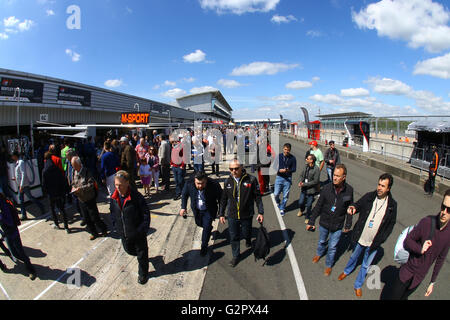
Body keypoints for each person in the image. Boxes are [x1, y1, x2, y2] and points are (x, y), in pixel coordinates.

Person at [339, 173, 397, 298]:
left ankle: (358, 285)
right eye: (379, 184)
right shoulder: (369, 196)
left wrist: (382, 238)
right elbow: (358, 205)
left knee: (366, 264)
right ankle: (346, 271)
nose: (379, 188)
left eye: (383, 186)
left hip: (374, 242)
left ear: (388, 188)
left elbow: (391, 224)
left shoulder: (392, 205)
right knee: (354, 257)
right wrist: (353, 208)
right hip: (361, 237)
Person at [386, 189, 450, 300]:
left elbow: (441, 258)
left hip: (418, 278)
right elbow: (408, 240)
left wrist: (432, 282)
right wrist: (420, 249)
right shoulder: (427, 222)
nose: (444, 212)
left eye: (449, 210)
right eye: (443, 207)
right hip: (406, 273)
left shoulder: (448, 234)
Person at [307, 164, 353, 276]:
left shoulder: (349, 191)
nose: (335, 178)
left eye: (338, 176)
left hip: (337, 225)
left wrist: (347, 225)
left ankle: (328, 265)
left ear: (344, 177)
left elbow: (350, 208)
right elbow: (318, 205)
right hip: (324, 222)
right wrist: (311, 220)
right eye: (334, 175)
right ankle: (319, 253)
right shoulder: (327, 188)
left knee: (332, 247)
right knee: (322, 241)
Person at [219, 159, 264, 267]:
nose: (233, 171)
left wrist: (260, 212)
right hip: (232, 214)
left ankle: (248, 239)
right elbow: (224, 199)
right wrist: (221, 214)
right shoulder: (227, 181)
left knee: (246, 232)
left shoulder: (251, 180)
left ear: (241, 168)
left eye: (236, 168)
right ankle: (236, 255)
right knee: (234, 236)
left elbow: (257, 197)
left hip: (246, 214)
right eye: (231, 169)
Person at [110, 170, 151, 285]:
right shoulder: (114, 197)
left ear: (127, 183)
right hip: (124, 233)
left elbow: (146, 215)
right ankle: (142, 257)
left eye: (120, 185)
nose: (118, 187)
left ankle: (143, 274)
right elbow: (112, 212)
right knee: (129, 250)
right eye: (116, 185)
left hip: (138, 234)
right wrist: (116, 226)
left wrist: (141, 230)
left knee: (142, 254)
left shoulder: (137, 197)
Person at [180, 171, 222, 256]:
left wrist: (221, 212)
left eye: (202, 183)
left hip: (209, 209)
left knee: (206, 227)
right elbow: (184, 195)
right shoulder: (189, 183)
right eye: (198, 183)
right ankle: (208, 228)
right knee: (200, 224)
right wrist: (183, 207)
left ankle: (204, 246)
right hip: (197, 209)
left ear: (206, 180)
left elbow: (221, 198)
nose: (200, 186)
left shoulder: (214, 185)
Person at [0, 191, 37, 280]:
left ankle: (31, 269)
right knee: (14, 253)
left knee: (20, 252)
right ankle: (26, 262)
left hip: (13, 232)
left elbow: (9, 221)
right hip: (7, 233)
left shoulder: (3, 204)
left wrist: (0, 217)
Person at [71, 156, 108, 240]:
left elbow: (91, 185)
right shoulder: (74, 172)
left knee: (95, 217)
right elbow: (73, 182)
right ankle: (94, 233)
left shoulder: (87, 172)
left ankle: (103, 229)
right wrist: (73, 188)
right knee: (87, 218)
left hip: (89, 198)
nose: (73, 167)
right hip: (81, 199)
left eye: (74, 165)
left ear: (79, 164)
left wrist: (81, 189)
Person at [11, 152, 45, 221]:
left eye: (12, 156)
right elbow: (19, 174)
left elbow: (23, 174)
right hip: (20, 185)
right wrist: (15, 178)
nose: (12, 158)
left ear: (15, 156)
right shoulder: (17, 163)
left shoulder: (21, 162)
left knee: (30, 198)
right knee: (21, 200)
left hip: (23, 185)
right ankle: (24, 215)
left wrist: (21, 185)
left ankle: (41, 206)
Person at [42, 152, 71, 233]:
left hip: (51, 194)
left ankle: (56, 224)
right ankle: (66, 227)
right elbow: (62, 180)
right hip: (59, 192)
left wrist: (45, 193)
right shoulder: (56, 168)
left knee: (52, 209)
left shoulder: (45, 170)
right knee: (62, 209)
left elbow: (44, 184)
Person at [273, 143, 297, 217]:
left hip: (287, 179)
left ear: (290, 150)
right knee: (276, 194)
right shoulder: (279, 156)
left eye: (288, 150)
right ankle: (278, 201)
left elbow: (294, 169)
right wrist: (279, 170)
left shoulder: (293, 158)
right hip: (279, 177)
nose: (286, 151)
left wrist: (287, 170)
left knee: (285, 195)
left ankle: (282, 208)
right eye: (285, 149)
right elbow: (274, 166)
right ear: (283, 149)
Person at [297, 154, 320, 223]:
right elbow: (301, 175)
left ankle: (307, 216)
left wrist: (305, 184)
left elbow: (316, 181)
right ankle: (301, 209)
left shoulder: (316, 169)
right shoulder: (306, 166)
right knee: (301, 202)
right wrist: (300, 182)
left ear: (312, 160)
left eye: (308, 159)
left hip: (311, 190)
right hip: (304, 188)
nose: (306, 159)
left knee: (309, 204)